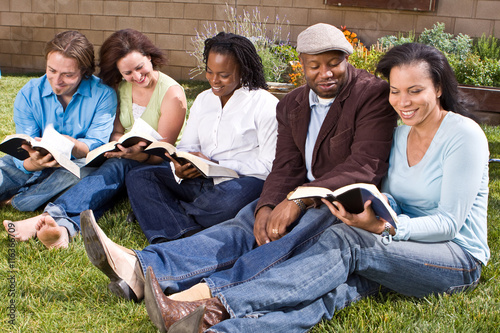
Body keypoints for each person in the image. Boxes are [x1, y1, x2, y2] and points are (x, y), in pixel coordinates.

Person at [140, 42, 488, 332]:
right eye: (395, 91)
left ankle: (214, 302)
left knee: (349, 242)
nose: (403, 101)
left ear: (438, 88)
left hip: (454, 257)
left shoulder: (463, 136)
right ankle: (221, 328)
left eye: (416, 91)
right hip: (399, 246)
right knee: (332, 289)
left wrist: (388, 227)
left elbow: (448, 224)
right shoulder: (400, 133)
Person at [80, 21, 397, 315]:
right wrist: (267, 206)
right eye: (314, 65)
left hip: (340, 203)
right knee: (242, 229)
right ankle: (139, 267)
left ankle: (199, 294)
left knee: (274, 238)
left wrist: (298, 199)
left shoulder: (371, 95)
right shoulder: (294, 103)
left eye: (333, 63)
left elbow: (363, 164)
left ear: (347, 59)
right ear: (301, 65)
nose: (324, 73)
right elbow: (286, 164)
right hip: (287, 191)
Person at [4, 29, 187, 249]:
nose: (136, 77)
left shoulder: (167, 94)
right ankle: (58, 224)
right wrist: (30, 162)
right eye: (127, 72)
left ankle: (46, 214)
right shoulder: (121, 87)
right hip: (112, 156)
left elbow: (160, 150)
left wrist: (135, 154)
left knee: (95, 175)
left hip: (136, 162)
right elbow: (116, 132)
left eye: (139, 68)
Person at [124, 31, 279, 243]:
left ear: (243, 71)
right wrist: (180, 168)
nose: (214, 80)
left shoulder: (265, 105)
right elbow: (187, 146)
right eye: (209, 71)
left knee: (228, 204)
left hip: (240, 183)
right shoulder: (203, 99)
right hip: (198, 179)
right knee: (140, 177)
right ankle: (187, 230)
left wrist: (217, 164)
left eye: (223, 75)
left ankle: (166, 218)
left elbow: (269, 164)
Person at [1, 31, 116, 229]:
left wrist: (72, 145)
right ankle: (29, 192)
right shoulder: (29, 93)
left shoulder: (103, 94)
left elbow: (96, 145)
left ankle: (18, 201)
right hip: (29, 164)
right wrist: (32, 164)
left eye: (68, 75)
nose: (57, 80)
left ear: (84, 71)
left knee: (89, 174)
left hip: (73, 166)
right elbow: (23, 147)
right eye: (51, 70)